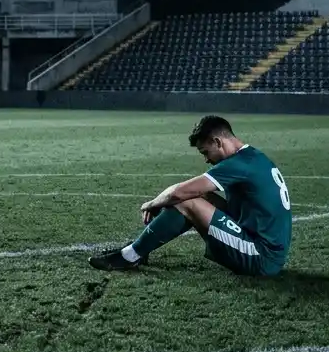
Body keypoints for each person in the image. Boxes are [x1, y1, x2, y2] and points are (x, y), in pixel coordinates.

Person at [88, 115, 292, 276]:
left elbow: (180, 192)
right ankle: (140, 249)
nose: (206, 159)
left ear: (217, 141)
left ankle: (130, 256)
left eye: (205, 152)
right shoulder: (252, 157)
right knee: (198, 197)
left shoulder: (239, 164)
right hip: (262, 246)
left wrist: (152, 204)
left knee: (188, 201)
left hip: (261, 257)